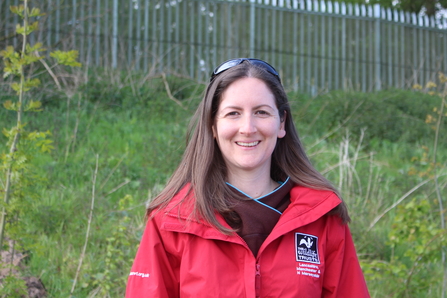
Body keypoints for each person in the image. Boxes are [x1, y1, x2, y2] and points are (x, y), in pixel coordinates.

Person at [126, 58, 370, 297]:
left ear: (281, 122)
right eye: (233, 113)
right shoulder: (172, 220)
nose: (248, 128)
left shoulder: (322, 217)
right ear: (213, 124)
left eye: (261, 112)